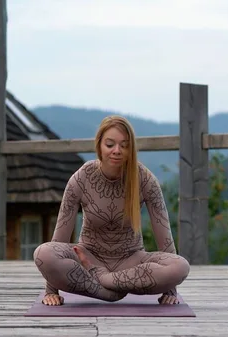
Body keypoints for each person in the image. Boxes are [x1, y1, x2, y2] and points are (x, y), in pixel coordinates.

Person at [33, 115, 190, 306]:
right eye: (110, 144)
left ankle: (103, 281)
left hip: (131, 261)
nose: (117, 151)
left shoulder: (145, 179)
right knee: (44, 253)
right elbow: (60, 236)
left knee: (180, 266)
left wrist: (170, 289)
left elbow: (164, 237)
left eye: (124, 145)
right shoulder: (81, 177)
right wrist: (51, 290)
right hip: (88, 256)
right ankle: (109, 293)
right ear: (99, 145)